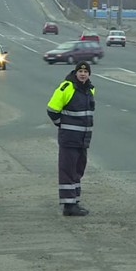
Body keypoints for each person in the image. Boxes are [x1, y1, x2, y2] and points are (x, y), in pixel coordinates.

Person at [46, 61, 96, 216]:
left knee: (78, 170)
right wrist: (62, 125)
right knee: (67, 170)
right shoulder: (67, 87)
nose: (83, 74)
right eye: (80, 71)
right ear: (75, 73)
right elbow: (52, 110)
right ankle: (68, 206)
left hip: (83, 139)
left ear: (89, 74)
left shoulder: (90, 90)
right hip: (69, 138)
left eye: (85, 72)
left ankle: (74, 201)